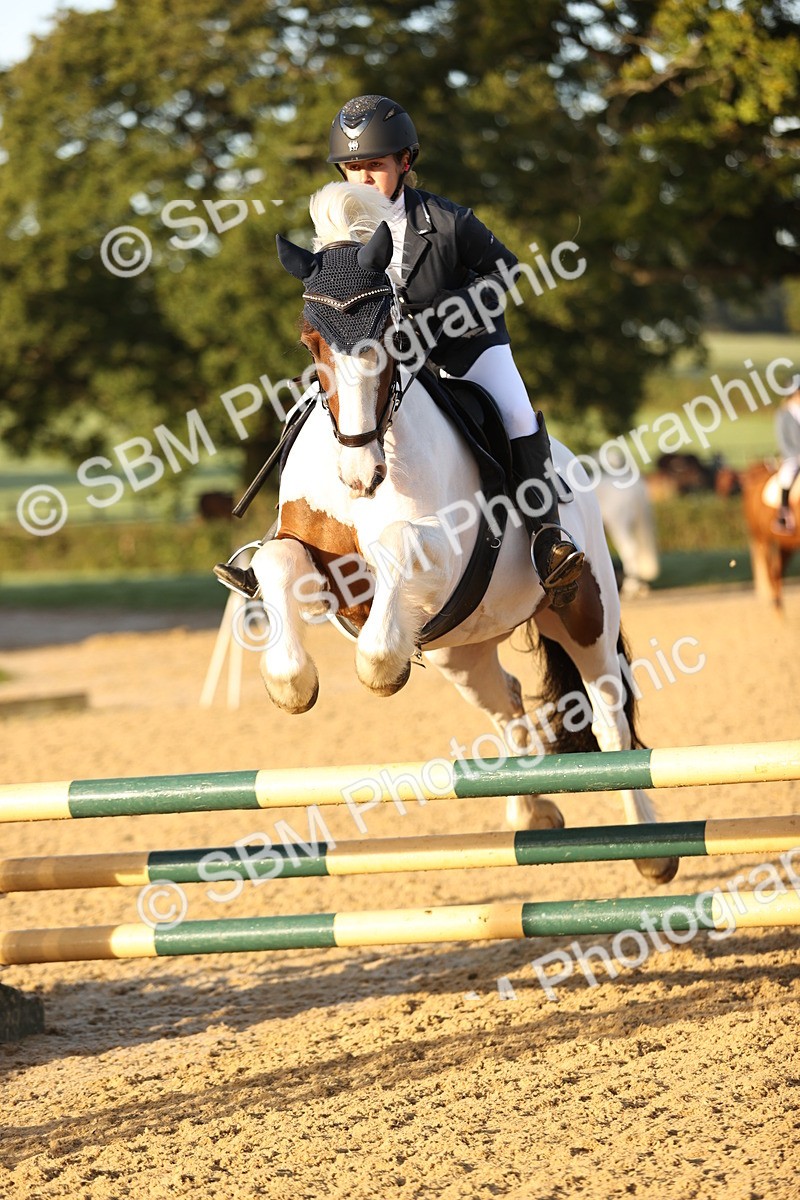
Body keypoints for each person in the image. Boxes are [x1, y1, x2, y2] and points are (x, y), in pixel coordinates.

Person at [216, 95, 584, 607]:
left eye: (375, 166)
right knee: (309, 413)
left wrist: (441, 315)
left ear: (405, 163)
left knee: (517, 413)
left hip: (465, 349)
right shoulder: (335, 234)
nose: (361, 179)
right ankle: (282, 536)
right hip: (383, 361)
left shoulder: (448, 221)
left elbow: (508, 271)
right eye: (351, 168)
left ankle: (548, 538)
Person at [773, 376, 800, 534]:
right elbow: (783, 441)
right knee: (787, 474)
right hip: (793, 456)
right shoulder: (783, 414)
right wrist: (797, 455)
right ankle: (783, 514)